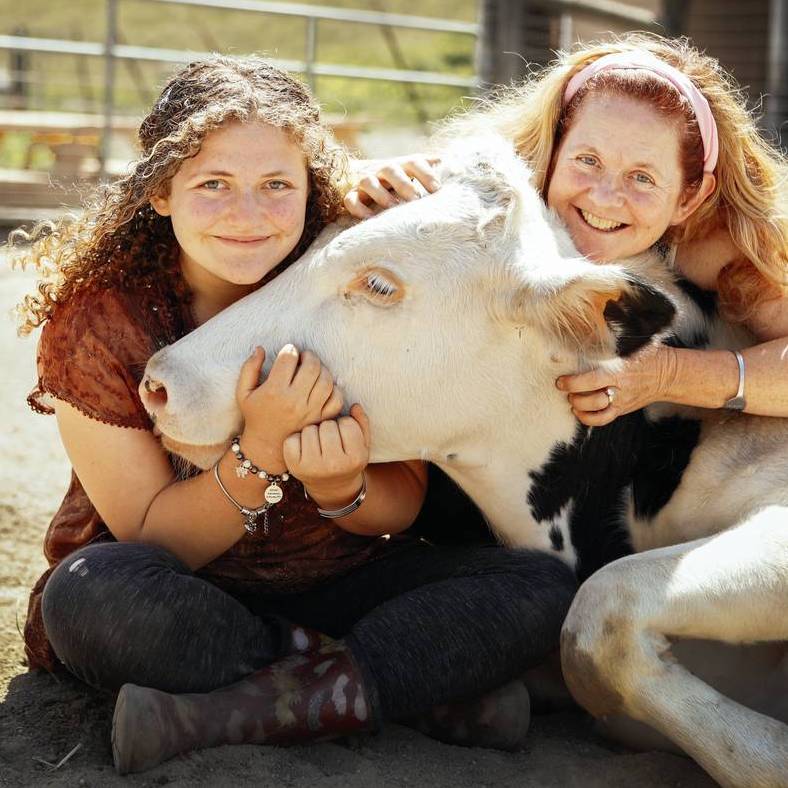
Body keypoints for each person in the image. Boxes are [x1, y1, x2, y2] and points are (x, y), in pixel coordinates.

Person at [11, 56, 577, 774]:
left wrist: (344, 489)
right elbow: (156, 540)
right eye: (213, 184)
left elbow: (403, 500)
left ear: (311, 187)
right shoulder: (99, 322)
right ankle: (387, 686)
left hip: (344, 589)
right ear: (159, 192)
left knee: (538, 587)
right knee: (89, 598)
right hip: (189, 600)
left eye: (277, 185)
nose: (248, 215)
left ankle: (253, 703)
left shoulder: (346, 277)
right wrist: (262, 454)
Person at [345, 33, 788, 422]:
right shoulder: (499, 187)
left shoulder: (720, 242)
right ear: (552, 150)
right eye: (588, 160)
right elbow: (329, 179)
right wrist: (367, 185)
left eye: (642, 178)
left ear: (689, 197)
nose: (603, 197)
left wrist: (668, 375)